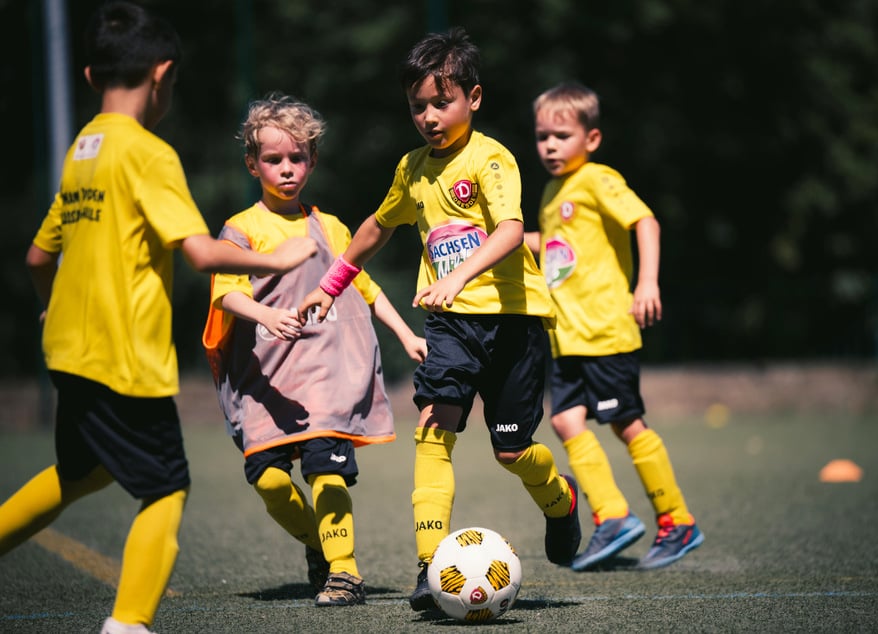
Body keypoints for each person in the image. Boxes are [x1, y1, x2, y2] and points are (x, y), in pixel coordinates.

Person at [0, 4, 317, 634]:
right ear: (163, 74)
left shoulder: (82, 150)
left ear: (91, 76)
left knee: (78, 473)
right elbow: (199, 251)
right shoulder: (147, 154)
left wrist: (48, 307)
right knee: (166, 488)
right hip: (122, 358)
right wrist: (275, 256)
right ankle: (127, 624)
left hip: (66, 350)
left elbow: (40, 256)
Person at [297, 27, 582, 611]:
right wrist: (331, 286)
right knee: (433, 430)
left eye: (440, 101)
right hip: (450, 326)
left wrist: (458, 275)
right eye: (417, 106)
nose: (428, 116)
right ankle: (430, 568)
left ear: (472, 99)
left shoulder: (492, 157)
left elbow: (508, 230)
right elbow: (377, 227)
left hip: (512, 322)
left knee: (512, 451)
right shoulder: (412, 168)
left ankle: (560, 500)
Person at [201, 92, 427, 607]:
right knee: (271, 483)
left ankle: (345, 572)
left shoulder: (331, 227)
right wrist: (266, 315)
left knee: (327, 471)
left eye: (297, 158)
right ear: (252, 164)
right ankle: (317, 545)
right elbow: (227, 292)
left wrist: (406, 333)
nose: (287, 169)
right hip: (267, 379)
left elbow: (364, 289)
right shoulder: (241, 228)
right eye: (274, 159)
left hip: (327, 375)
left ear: (312, 160)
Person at [524, 81, 703, 572]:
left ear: (592, 139)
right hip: (568, 336)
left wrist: (646, 282)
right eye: (542, 136)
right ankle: (614, 517)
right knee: (564, 420)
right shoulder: (552, 189)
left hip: (604, 329)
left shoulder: (598, 178)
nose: (550, 146)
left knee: (626, 423)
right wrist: (509, 238)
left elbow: (645, 221)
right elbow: (561, 245)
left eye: (561, 135)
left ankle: (677, 520)